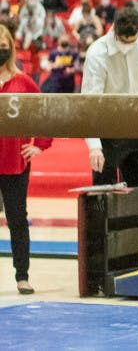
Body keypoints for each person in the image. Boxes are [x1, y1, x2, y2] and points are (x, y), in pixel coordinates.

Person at [0, 24, 51, 296]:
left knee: (17, 219)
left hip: (14, 163)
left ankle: (22, 276)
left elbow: (45, 113)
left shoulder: (23, 82)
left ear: (10, 48)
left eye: (3, 44)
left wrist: (40, 146)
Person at [82, 7, 138, 187]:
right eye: (123, 41)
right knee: (104, 194)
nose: (127, 47)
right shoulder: (96, 54)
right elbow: (90, 104)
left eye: (132, 41)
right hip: (108, 129)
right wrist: (94, 147)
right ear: (114, 30)